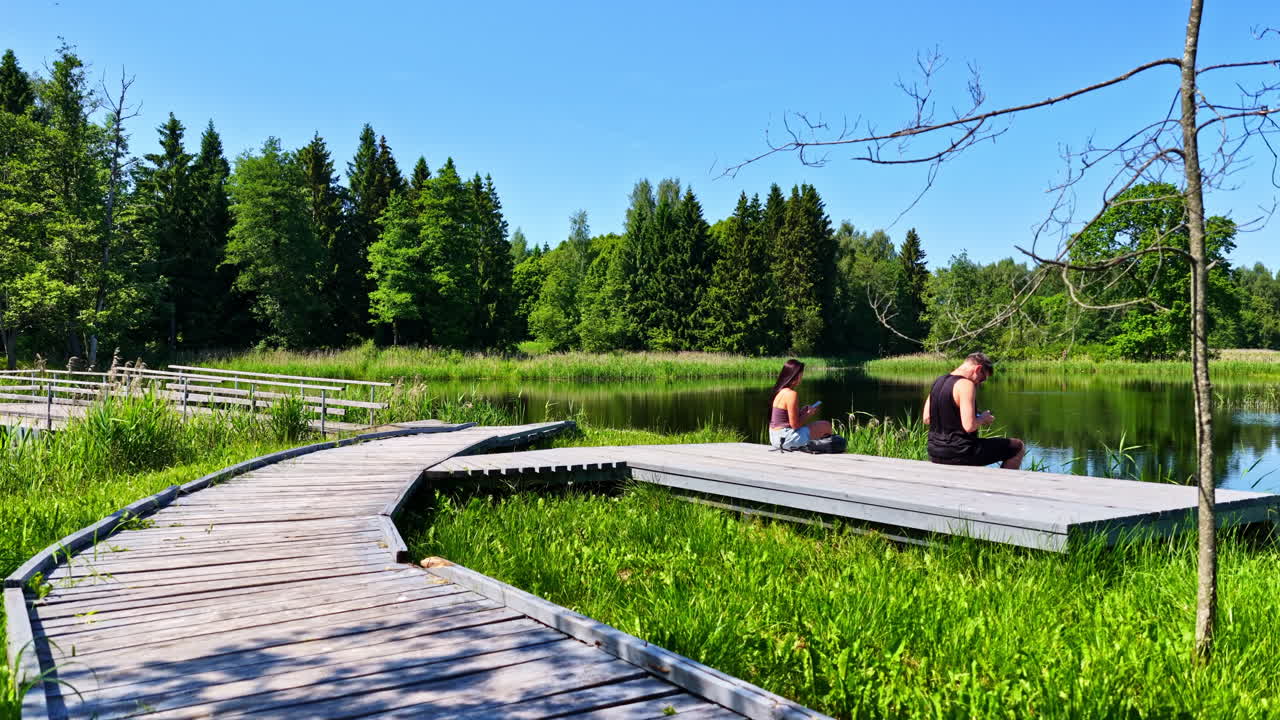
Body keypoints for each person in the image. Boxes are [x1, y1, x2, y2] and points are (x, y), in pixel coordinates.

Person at [922, 352, 1025, 469]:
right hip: (961, 453)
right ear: (978, 369)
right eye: (982, 379)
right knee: (1017, 446)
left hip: (934, 452)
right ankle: (1004, 485)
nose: (979, 383)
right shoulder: (966, 384)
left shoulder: (938, 381)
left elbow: (927, 418)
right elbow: (969, 426)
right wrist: (983, 418)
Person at [768, 359, 832, 450]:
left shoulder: (779, 392)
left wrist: (801, 412)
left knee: (820, 427)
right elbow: (795, 425)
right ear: (796, 375)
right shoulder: (791, 394)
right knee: (826, 425)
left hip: (774, 438)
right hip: (785, 439)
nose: (802, 376)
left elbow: (786, 421)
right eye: (801, 374)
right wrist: (808, 414)